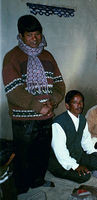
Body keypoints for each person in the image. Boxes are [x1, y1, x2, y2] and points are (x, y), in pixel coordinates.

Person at [2, 15, 65, 194]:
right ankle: (21, 188)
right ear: (21, 36)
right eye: (30, 35)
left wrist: (53, 100)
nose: (35, 39)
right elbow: (13, 90)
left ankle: (38, 181)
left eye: (37, 34)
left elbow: (60, 83)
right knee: (23, 155)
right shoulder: (12, 57)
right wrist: (38, 106)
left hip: (46, 116)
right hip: (24, 119)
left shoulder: (48, 56)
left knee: (42, 153)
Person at [48, 90, 97, 183]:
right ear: (67, 105)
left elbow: (86, 141)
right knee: (85, 176)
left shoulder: (82, 119)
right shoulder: (58, 123)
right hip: (60, 162)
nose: (79, 105)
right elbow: (60, 151)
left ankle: (81, 164)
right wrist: (75, 166)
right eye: (75, 102)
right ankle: (64, 170)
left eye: (81, 102)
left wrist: (94, 154)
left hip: (77, 156)